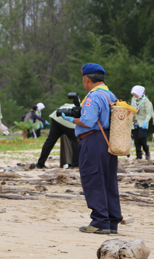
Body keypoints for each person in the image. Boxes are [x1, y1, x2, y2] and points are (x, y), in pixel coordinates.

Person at [60, 63, 121, 234]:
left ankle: (100, 221)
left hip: (93, 140)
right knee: (108, 180)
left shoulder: (93, 96)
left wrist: (70, 119)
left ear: (86, 79)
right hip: (110, 140)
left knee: (93, 179)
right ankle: (112, 220)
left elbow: (88, 121)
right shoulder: (110, 94)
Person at [34, 104, 79, 169]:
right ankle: (75, 164)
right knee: (75, 141)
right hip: (68, 121)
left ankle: (40, 163)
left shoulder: (79, 103)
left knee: (50, 141)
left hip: (57, 116)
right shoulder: (89, 106)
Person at [130, 85, 152, 160]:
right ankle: (138, 155)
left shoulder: (146, 101)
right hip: (135, 122)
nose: (134, 95)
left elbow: (148, 113)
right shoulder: (133, 99)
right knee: (136, 139)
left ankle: (147, 151)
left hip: (143, 122)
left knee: (141, 138)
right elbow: (132, 108)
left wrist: (146, 122)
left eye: (135, 93)